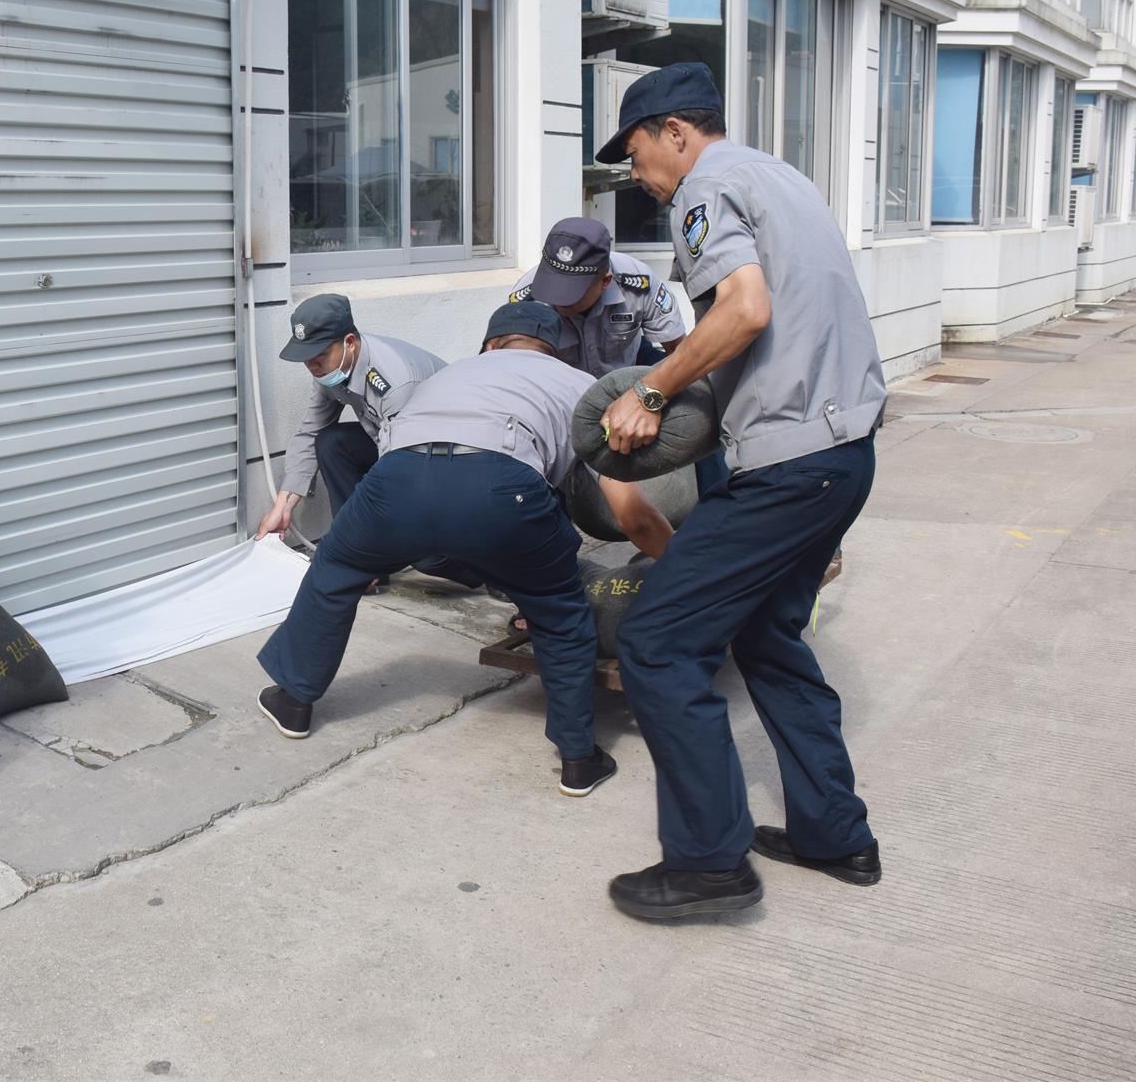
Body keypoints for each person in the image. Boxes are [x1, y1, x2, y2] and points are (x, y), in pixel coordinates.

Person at [591, 62, 887, 920]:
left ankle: (709, 863)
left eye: (636, 154)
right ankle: (835, 835)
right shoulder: (784, 179)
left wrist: (651, 393)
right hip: (843, 454)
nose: (636, 175)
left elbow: (746, 310)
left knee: (657, 642)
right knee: (768, 638)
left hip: (787, 468)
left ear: (677, 132)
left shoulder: (706, 187)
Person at [252, 301, 674, 798]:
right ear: (556, 349)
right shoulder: (582, 386)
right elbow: (631, 513)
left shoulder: (452, 373)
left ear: (489, 344)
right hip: (502, 489)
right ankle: (578, 759)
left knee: (335, 568)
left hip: (398, 480)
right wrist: (682, 564)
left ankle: (294, 700)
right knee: (560, 612)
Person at [255, 293, 446, 541]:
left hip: (440, 456)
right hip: (391, 443)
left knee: (418, 544)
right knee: (331, 443)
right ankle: (354, 541)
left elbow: (400, 469)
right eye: (306, 359)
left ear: (350, 343)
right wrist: (283, 508)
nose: (312, 367)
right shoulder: (332, 369)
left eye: (319, 356)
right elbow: (311, 431)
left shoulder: (394, 383)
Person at [507, 216, 685, 377]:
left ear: (605, 281)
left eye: (571, 291)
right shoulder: (526, 299)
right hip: (562, 386)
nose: (558, 298)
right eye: (553, 285)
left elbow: (678, 351)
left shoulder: (639, 283)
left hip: (627, 368)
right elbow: (516, 372)